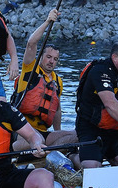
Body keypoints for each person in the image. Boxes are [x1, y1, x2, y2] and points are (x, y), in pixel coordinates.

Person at [13, 9, 78, 153]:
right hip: (22, 131)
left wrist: (58, 133)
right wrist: (48, 21)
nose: (51, 61)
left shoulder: (57, 81)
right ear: (41, 56)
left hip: (43, 133)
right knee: (38, 139)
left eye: (55, 59)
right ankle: (37, 150)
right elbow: (31, 43)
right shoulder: (31, 70)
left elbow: (57, 109)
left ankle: (52, 151)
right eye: (48, 57)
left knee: (76, 135)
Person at [75, 41, 118, 169]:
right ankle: (73, 156)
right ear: (115, 58)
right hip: (92, 128)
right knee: (92, 167)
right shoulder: (100, 71)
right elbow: (110, 104)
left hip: (117, 130)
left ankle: (109, 155)